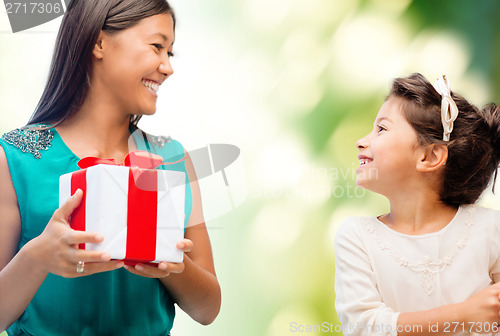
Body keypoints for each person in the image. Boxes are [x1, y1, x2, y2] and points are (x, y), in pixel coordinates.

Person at [0, 0, 221, 335]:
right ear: (99, 43)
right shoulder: (15, 158)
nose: (167, 67)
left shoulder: (173, 160)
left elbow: (208, 309)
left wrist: (173, 265)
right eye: (157, 46)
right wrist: (38, 257)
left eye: (170, 53)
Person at [334, 73, 500, 335]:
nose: (361, 141)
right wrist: (464, 314)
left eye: (381, 129)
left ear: (430, 156)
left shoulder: (490, 229)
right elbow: (362, 327)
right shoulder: (357, 237)